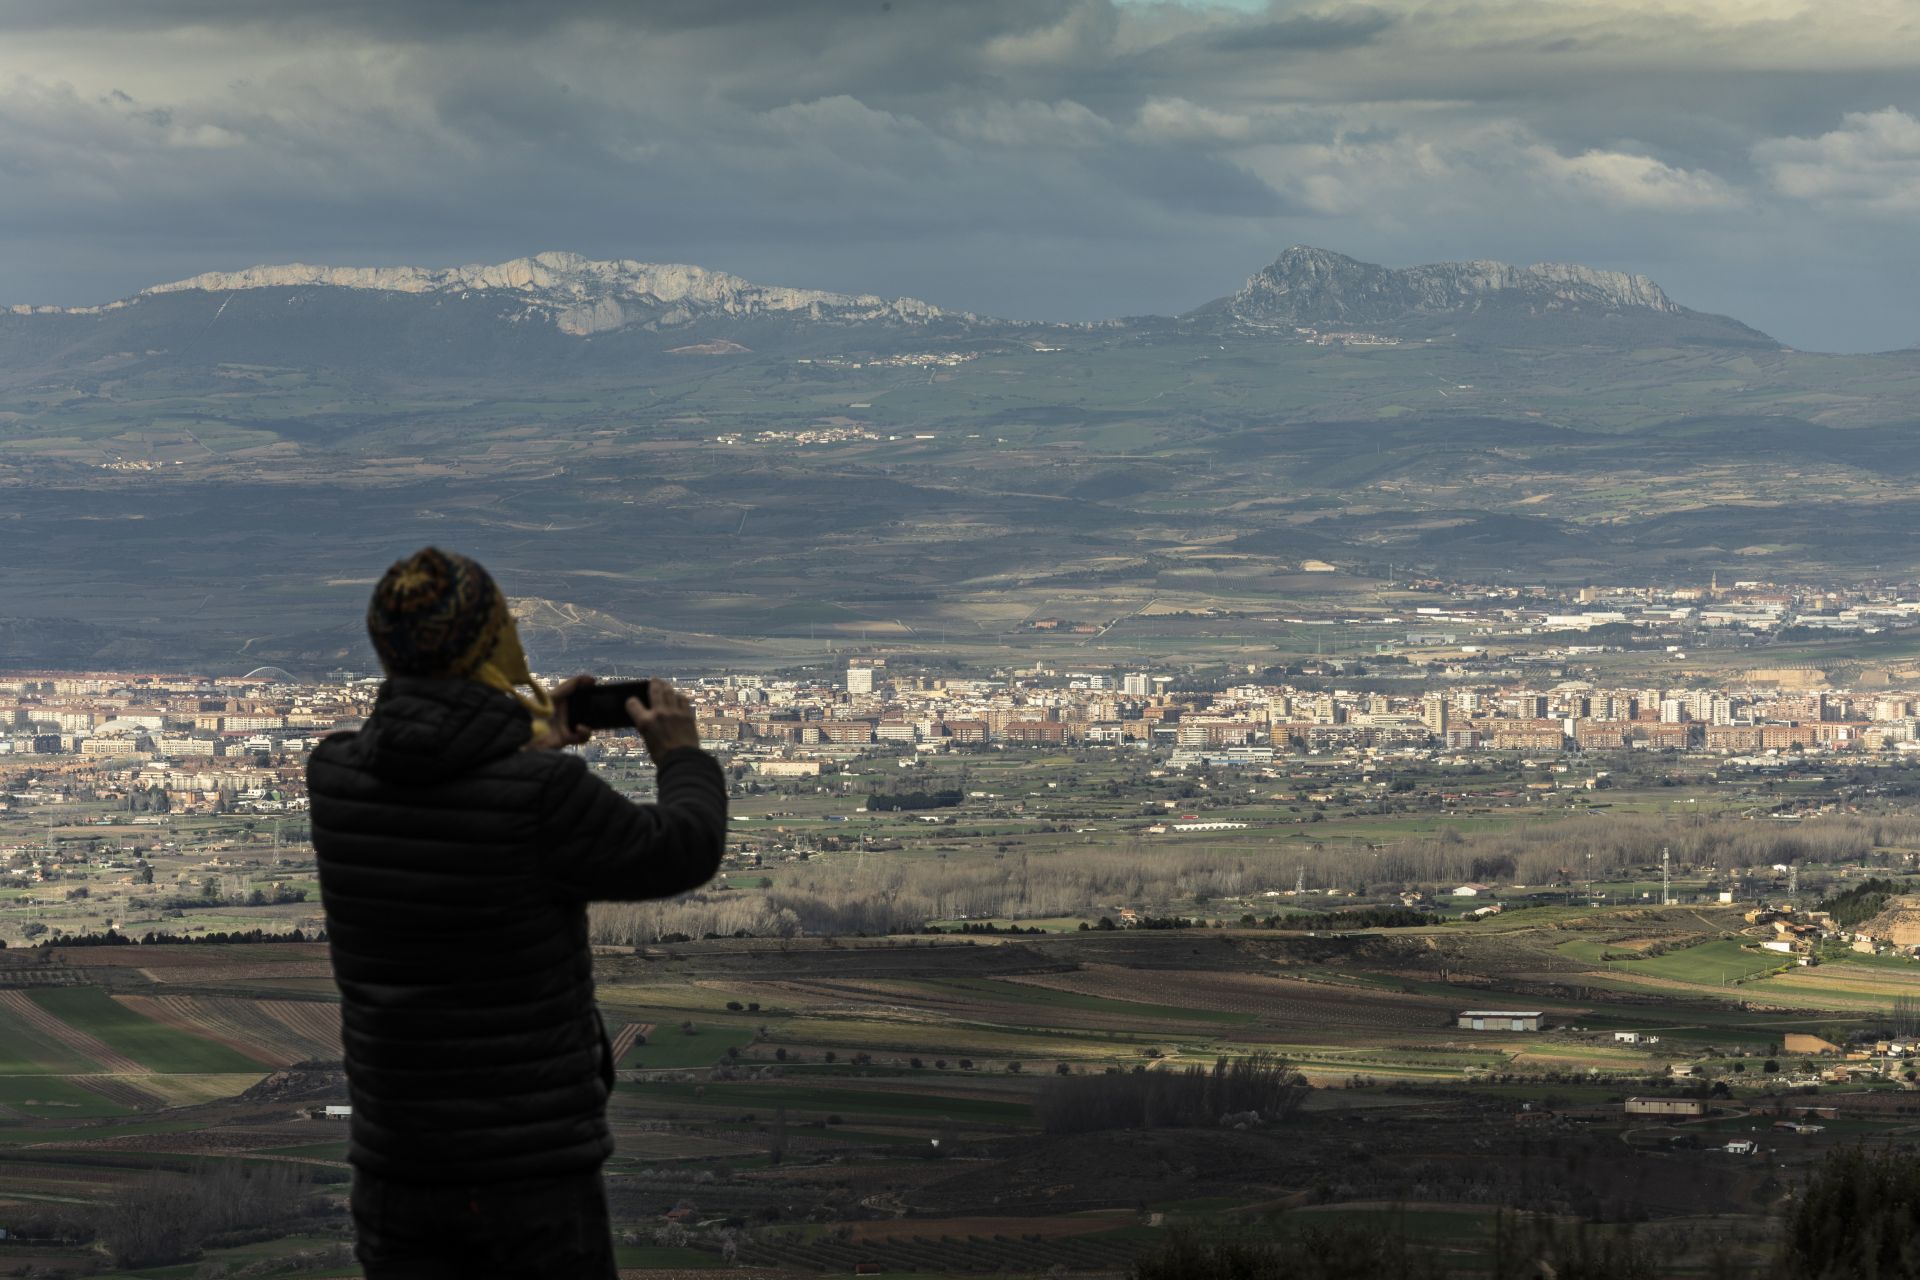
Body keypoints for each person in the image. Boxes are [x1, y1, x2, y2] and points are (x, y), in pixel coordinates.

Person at [307, 546, 727, 1278]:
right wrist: (681, 756)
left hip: (396, 1170)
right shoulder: (543, 799)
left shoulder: (336, 777)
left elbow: (438, 778)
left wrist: (524, 738)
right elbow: (680, 850)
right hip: (527, 1175)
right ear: (494, 643)